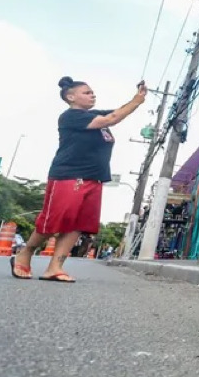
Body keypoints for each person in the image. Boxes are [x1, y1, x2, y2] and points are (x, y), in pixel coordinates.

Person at [10, 77, 146, 282]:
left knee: (77, 225)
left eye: (92, 92)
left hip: (95, 178)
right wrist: (137, 100)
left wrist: (136, 99)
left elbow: (115, 112)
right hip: (69, 175)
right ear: (71, 97)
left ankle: (55, 267)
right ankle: (25, 253)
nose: (92, 95)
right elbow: (112, 118)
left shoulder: (93, 115)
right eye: (87, 92)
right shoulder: (71, 116)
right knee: (54, 221)